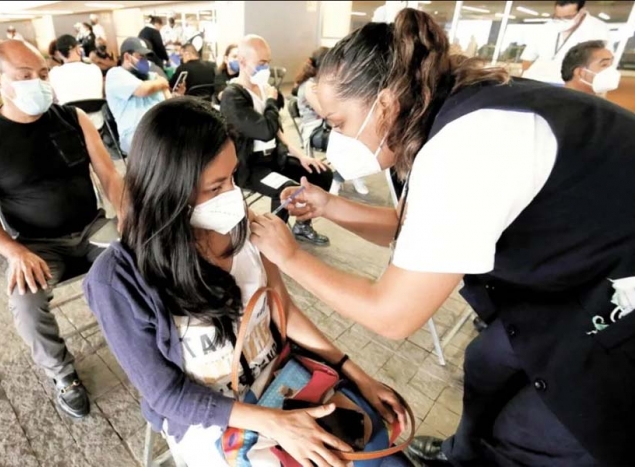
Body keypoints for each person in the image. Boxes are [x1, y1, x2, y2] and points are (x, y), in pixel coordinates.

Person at [249, 9, 635, 467]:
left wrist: (290, 257)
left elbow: (393, 316)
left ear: (386, 103)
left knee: (531, 435)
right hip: (570, 279)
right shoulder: (447, 115)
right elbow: (412, 230)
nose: (336, 139)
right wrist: (329, 205)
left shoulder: (470, 144)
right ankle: (461, 454)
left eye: (338, 123)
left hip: (613, 305)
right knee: (488, 362)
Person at [83, 97, 412, 467]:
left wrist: (354, 372)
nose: (234, 197)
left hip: (286, 381)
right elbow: (166, 394)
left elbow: (283, 309)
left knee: (377, 448)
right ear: (168, 191)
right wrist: (278, 424)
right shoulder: (118, 279)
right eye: (216, 187)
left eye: (234, 178)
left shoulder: (242, 226)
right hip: (215, 421)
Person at [0, 40, 124, 419]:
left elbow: (110, 175)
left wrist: (126, 213)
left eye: (42, 73)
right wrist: (16, 252)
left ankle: (147, 339)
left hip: (92, 229)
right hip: (37, 246)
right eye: (25, 75)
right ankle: (62, 374)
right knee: (25, 301)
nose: (38, 82)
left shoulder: (73, 119)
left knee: (146, 259)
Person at [221, 35, 333, 247]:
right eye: (261, 63)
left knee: (320, 173)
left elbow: (277, 130)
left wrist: (300, 155)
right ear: (243, 62)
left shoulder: (264, 88)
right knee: (288, 189)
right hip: (250, 167)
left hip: (274, 158)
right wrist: (272, 101)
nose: (266, 68)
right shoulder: (232, 95)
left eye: (268, 62)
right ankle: (275, 241)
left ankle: (302, 224)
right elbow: (264, 130)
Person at [293, 47, 368, 196]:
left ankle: (349, 175)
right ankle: (339, 180)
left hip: (326, 127)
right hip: (314, 131)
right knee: (349, 146)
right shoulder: (310, 85)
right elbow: (324, 112)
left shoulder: (320, 83)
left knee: (357, 140)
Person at [105, 37, 181, 153]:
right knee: (168, 149)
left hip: (159, 129)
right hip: (135, 134)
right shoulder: (116, 74)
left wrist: (174, 92)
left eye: (145, 57)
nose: (144, 61)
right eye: (140, 57)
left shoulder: (151, 76)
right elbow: (142, 90)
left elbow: (168, 102)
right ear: (127, 57)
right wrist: (160, 83)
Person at [521, 1, 609, 85]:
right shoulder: (546, 27)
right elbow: (527, 58)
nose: (562, 20)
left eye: (568, 17)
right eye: (557, 16)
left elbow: (603, 63)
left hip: (571, 86)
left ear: (582, 11)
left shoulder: (598, 29)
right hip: (538, 82)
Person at [49, 34, 104, 129]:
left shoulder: (54, 73)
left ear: (59, 54)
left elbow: (52, 100)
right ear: (78, 49)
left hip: (70, 127)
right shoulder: (94, 69)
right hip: (96, 125)